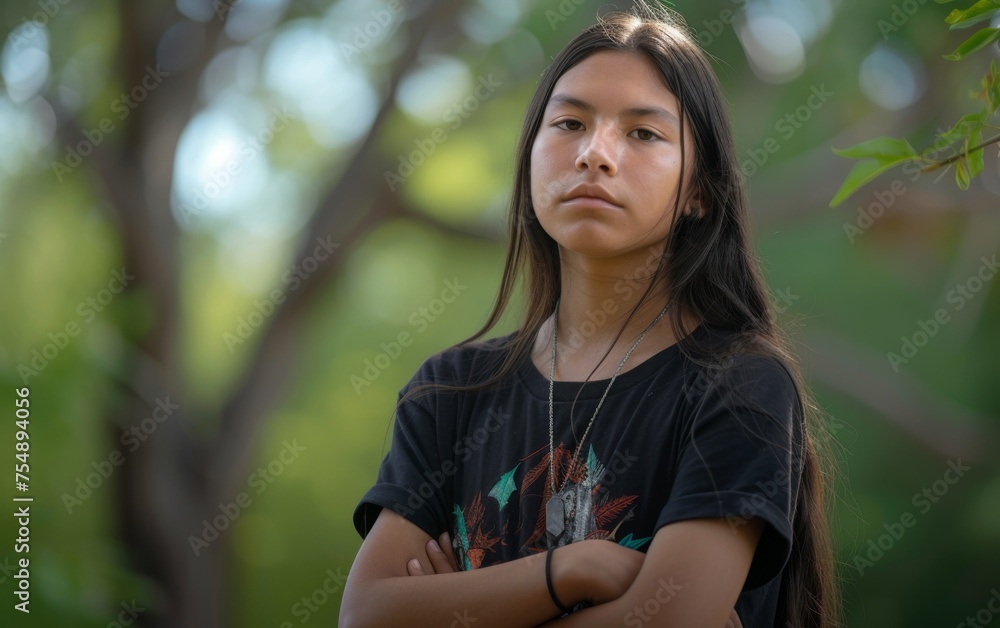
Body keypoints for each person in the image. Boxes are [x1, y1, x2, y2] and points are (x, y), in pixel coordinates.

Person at [340, 2, 840, 626]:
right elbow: (367, 615)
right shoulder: (449, 394)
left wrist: (464, 608)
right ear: (528, 160)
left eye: (643, 133)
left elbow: (666, 618)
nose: (594, 154)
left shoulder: (739, 387)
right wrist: (571, 571)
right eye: (570, 123)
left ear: (700, 191)